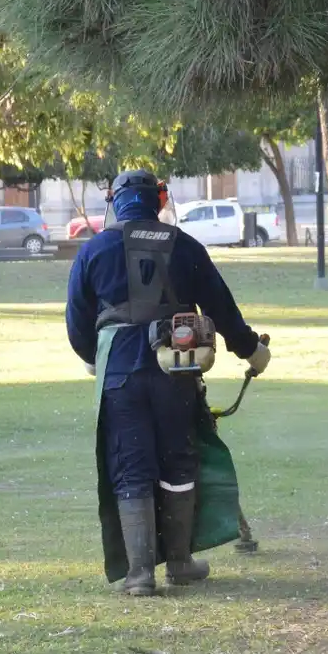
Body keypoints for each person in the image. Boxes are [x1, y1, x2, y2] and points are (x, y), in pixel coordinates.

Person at [66, 169, 270, 596]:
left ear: (114, 202)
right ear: (159, 200)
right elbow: (223, 309)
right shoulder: (187, 247)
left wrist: (92, 358)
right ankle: (179, 561)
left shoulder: (94, 250)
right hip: (176, 368)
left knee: (131, 463)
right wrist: (251, 350)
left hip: (120, 372)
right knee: (179, 460)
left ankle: (140, 574)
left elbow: (77, 324)